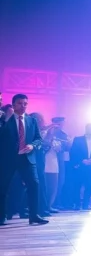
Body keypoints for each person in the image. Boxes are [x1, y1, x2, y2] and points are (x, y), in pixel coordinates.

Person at [0, 94, 48, 225]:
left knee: (34, 185)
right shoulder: (5, 120)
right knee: (3, 187)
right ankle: (1, 216)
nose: (23, 106)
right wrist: (6, 120)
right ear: (13, 105)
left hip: (27, 159)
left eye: (25, 104)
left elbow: (38, 139)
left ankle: (34, 215)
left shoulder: (32, 120)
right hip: (8, 160)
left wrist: (32, 145)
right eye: (20, 103)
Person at [67, 123, 91, 210]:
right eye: (88, 128)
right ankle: (77, 204)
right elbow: (73, 152)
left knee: (89, 186)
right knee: (77, 185)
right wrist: (81, 160)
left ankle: (86, 205)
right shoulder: (78, 139)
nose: (90, 130)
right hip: (80, 165)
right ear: (86, 129)